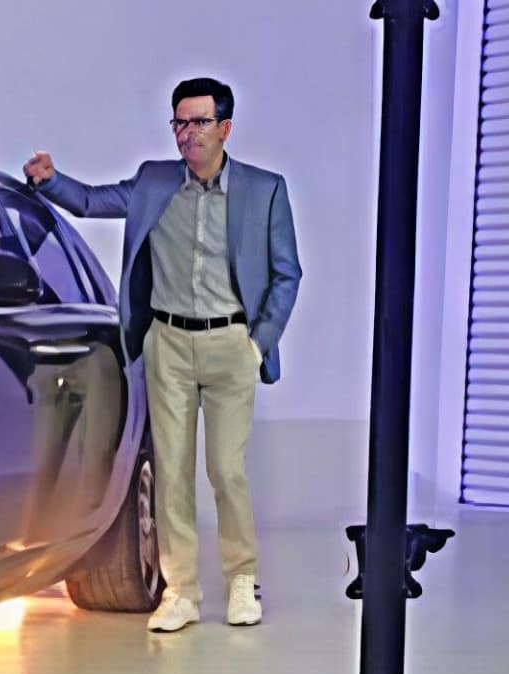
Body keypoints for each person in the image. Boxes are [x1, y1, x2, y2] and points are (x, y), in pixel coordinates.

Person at [23, 78, 301, 632]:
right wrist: (51, 181)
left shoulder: (265, 190)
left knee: (226, 470)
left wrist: (256, 345)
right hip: (168, 344)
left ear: (225, 127)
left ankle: (243, 579)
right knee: (171, 471)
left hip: (230, 344)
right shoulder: (154, 182)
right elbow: (92, 200)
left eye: (199, 122)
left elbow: (286, 273)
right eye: (179, 123)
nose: (187, 134)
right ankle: (181, 591)